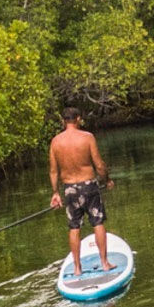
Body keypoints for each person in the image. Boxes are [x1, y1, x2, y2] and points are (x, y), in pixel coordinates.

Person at [49, 107, 113, 277]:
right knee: (97, 223)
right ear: (78, 119)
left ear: (63, 121)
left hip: (69, 188)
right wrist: (107, 180)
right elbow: (99, 164)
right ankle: (105, 263)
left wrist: (55, 193)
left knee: (74, 227)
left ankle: (77, 268)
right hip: (89, 185)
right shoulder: (87, 137)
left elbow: (54, 171)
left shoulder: (55, 142)